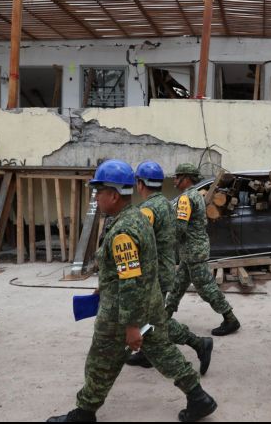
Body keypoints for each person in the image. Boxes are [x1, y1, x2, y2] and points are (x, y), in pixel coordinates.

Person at [48, 160, 216, 423]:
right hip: (149, 302)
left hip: (122, 310)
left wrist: (131, 326)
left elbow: (129, 280)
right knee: (162, 350)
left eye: (99, 191)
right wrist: (102, 288)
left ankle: (84, 412)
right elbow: (127, 271)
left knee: (101, 358)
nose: (96, 197)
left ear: (113, 195)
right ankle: (198, 397)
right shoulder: (137, 217)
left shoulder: (124, 230)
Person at [126, 160, 213, 375]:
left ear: (140, 184)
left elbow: (139, 241)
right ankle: (147, 354)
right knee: (151, 318)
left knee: (157, 320)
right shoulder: (166, 203)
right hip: (165, 269)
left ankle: (199, 344)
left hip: (152, 274)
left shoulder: (147, 209)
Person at [165, 162, 240, 337]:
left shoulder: (186, 198)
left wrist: (163, 241)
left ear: (186, 178)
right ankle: (164, 317)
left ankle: (230, 319)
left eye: (177, 177)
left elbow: (179, 228)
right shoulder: (195, 195)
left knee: (205, 287)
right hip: (191, 252)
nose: (174, 180)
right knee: (177, 286)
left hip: (193, 252)